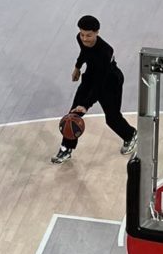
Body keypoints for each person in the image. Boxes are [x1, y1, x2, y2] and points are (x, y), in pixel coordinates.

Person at [51, 15, 138, 164]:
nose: (85, 38)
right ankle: (66, 149)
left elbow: (100, 84)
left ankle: (130, 135)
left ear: (97, 32)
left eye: (89, 35)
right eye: (82, 34)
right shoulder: (80, 39)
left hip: (110, 82)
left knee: (112, 119)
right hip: (91, 76)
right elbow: (84, 52)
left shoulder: (105, 51)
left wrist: (86, 104)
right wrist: (77, 67)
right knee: (72, 116)